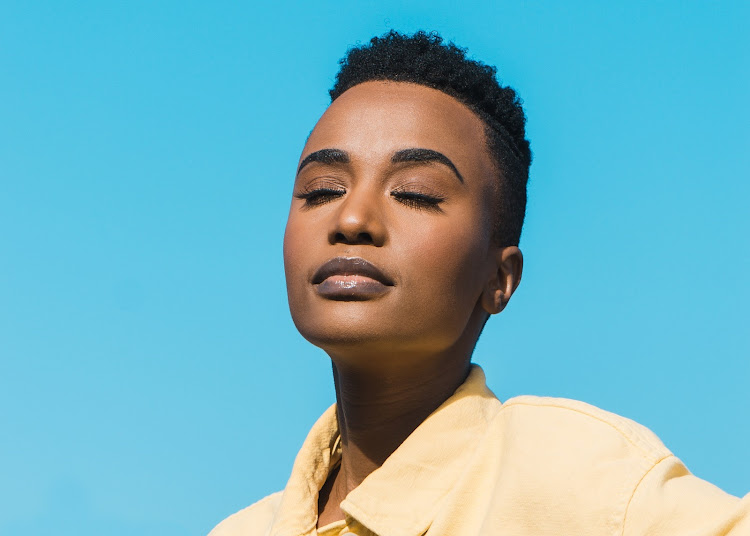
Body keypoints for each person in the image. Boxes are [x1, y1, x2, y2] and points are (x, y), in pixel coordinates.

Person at [210, 31, 749, 536]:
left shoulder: (587, 482)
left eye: (416, 193)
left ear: (500, 278)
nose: (352, 220)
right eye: (322, 189)